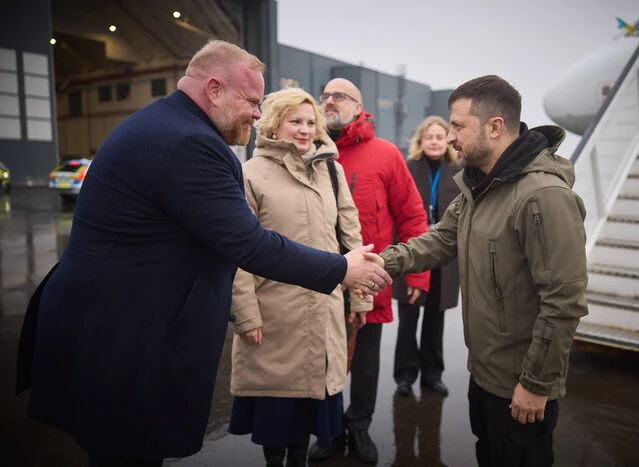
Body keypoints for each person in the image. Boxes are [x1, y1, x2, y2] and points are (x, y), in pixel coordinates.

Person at [14, 40, 391, 466]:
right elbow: (248, 242)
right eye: (251, 100)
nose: (255, 111)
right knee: (125, 453)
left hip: (113, 324)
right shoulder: (188, 143)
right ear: (214, 90)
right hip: (123, 339)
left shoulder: (169, 126)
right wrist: (341, 268)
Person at [377, 75, 588, 467]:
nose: (451, 135)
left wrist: (536, 385)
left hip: (522, 387)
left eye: (458, 125)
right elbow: (440, 239)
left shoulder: (542, 196)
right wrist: (383, 263)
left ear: (494, 127)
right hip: (485, 376)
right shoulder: (480, 187)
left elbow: (564, 302)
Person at [227, 87, 372, 467]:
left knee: (311, 416)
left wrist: (359, 296)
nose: (306, 130)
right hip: (274, 316)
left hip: (324, 312)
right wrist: (245, 314)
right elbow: (237, 254)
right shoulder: (249, 174)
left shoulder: (331, 170)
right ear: (275, 124)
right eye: (296, 121)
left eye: (311, 122)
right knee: (277, 414)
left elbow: (351, 238)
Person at [307, 78, 430, 463]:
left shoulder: (385, 154)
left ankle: (358, 425)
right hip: (319, 278)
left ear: (359, 108)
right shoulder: (308, 151)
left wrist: (417, 274)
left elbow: (411, 215)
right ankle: (329, 430)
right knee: (321, 358)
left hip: (367, 279)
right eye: (324, 96)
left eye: (339, 96)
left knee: (366, 360)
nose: (329, 101)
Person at [392, 116, 461, 398]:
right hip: (413, 251)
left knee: (435, 318)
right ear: (421, 141)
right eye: (429, 137)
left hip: (444, 256)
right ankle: (405, 376)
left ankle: (433, 375)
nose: (434, 141)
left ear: (447, 141)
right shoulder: (408, 168)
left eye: (439, 136)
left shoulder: (458, 170)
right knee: (409, 319)